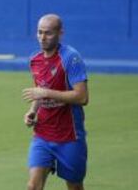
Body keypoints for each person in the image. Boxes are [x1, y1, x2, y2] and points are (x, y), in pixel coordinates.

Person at [22, 14, 89, 190]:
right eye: (39, 32)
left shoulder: (70, 58)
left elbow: (82, 97)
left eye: (48, 33)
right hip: (42, 134)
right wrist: (32, 111)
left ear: (60, 33)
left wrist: (46, 92)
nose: (42, 37)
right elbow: (40, 91)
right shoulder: (34, 60)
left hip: (69, 136)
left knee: (74, 187)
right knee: (33, 186)